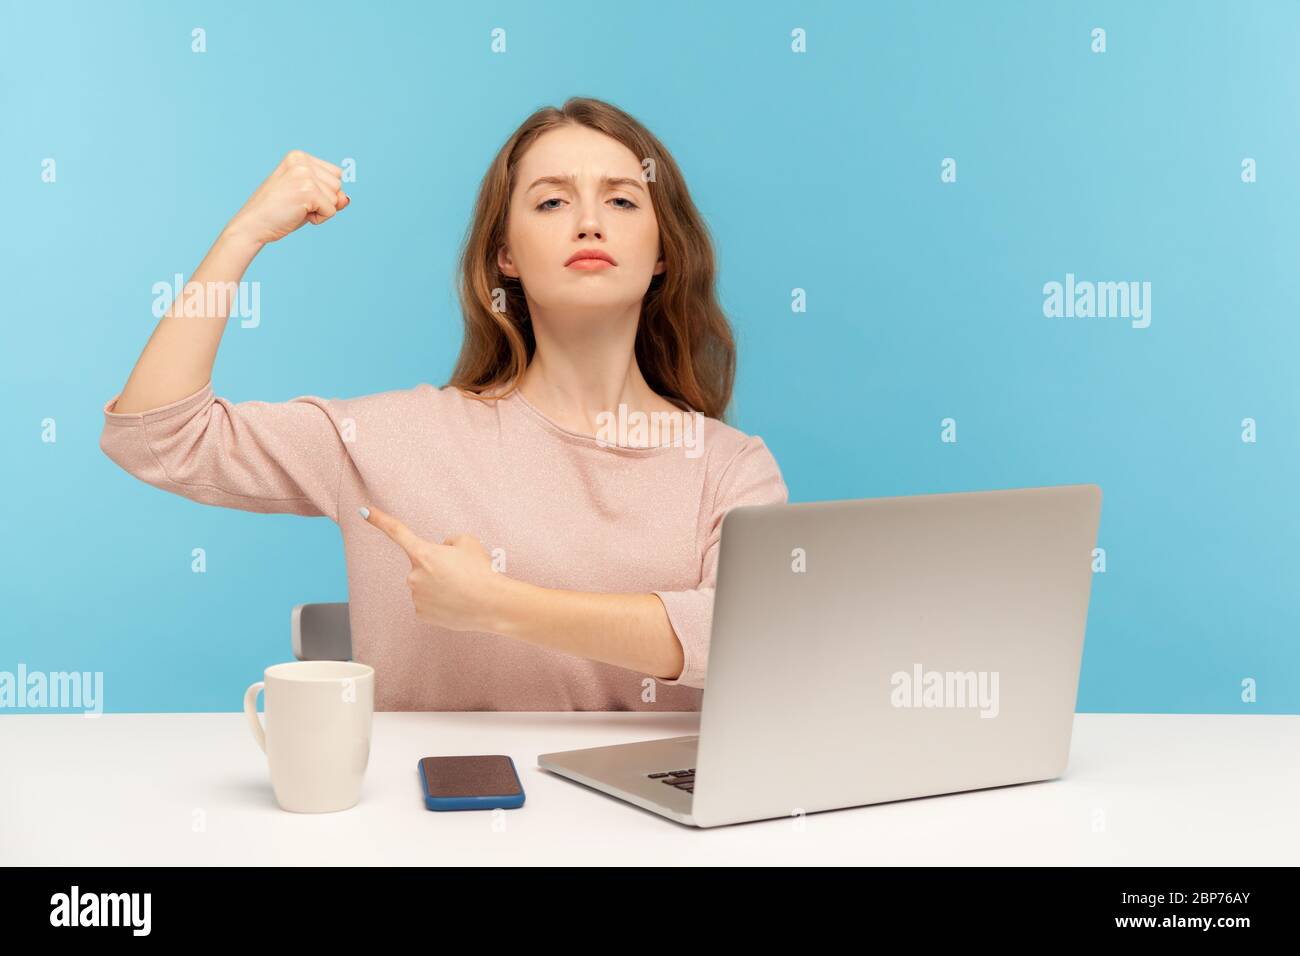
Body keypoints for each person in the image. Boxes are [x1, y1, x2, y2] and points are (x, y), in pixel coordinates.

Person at [100, 97, 788, 711]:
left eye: (621, 200)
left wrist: (499, 605)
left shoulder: (729, 468)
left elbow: (752, 639)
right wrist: (242, 234)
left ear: (664, 250)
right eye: (551, 201)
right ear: (505, 257)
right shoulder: (387, 439)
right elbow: (158, 435)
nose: (587, 221)